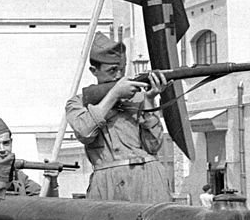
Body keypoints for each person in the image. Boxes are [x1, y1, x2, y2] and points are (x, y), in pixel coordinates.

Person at [65, 33, 173, 203]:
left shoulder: (138, 98)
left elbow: (153, 145)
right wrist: (114, 95)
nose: (118, 76)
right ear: (94, 71)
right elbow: (85, 132)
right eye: (112, 71)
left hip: (148, 178)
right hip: (107, 184)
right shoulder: (78, 102)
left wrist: (150, 99)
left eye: (121, 70)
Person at [0, 114, 45, 196]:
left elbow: (45, 202)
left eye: (6, 143)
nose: (2, 149)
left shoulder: (19, 177)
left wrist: (52, 181)